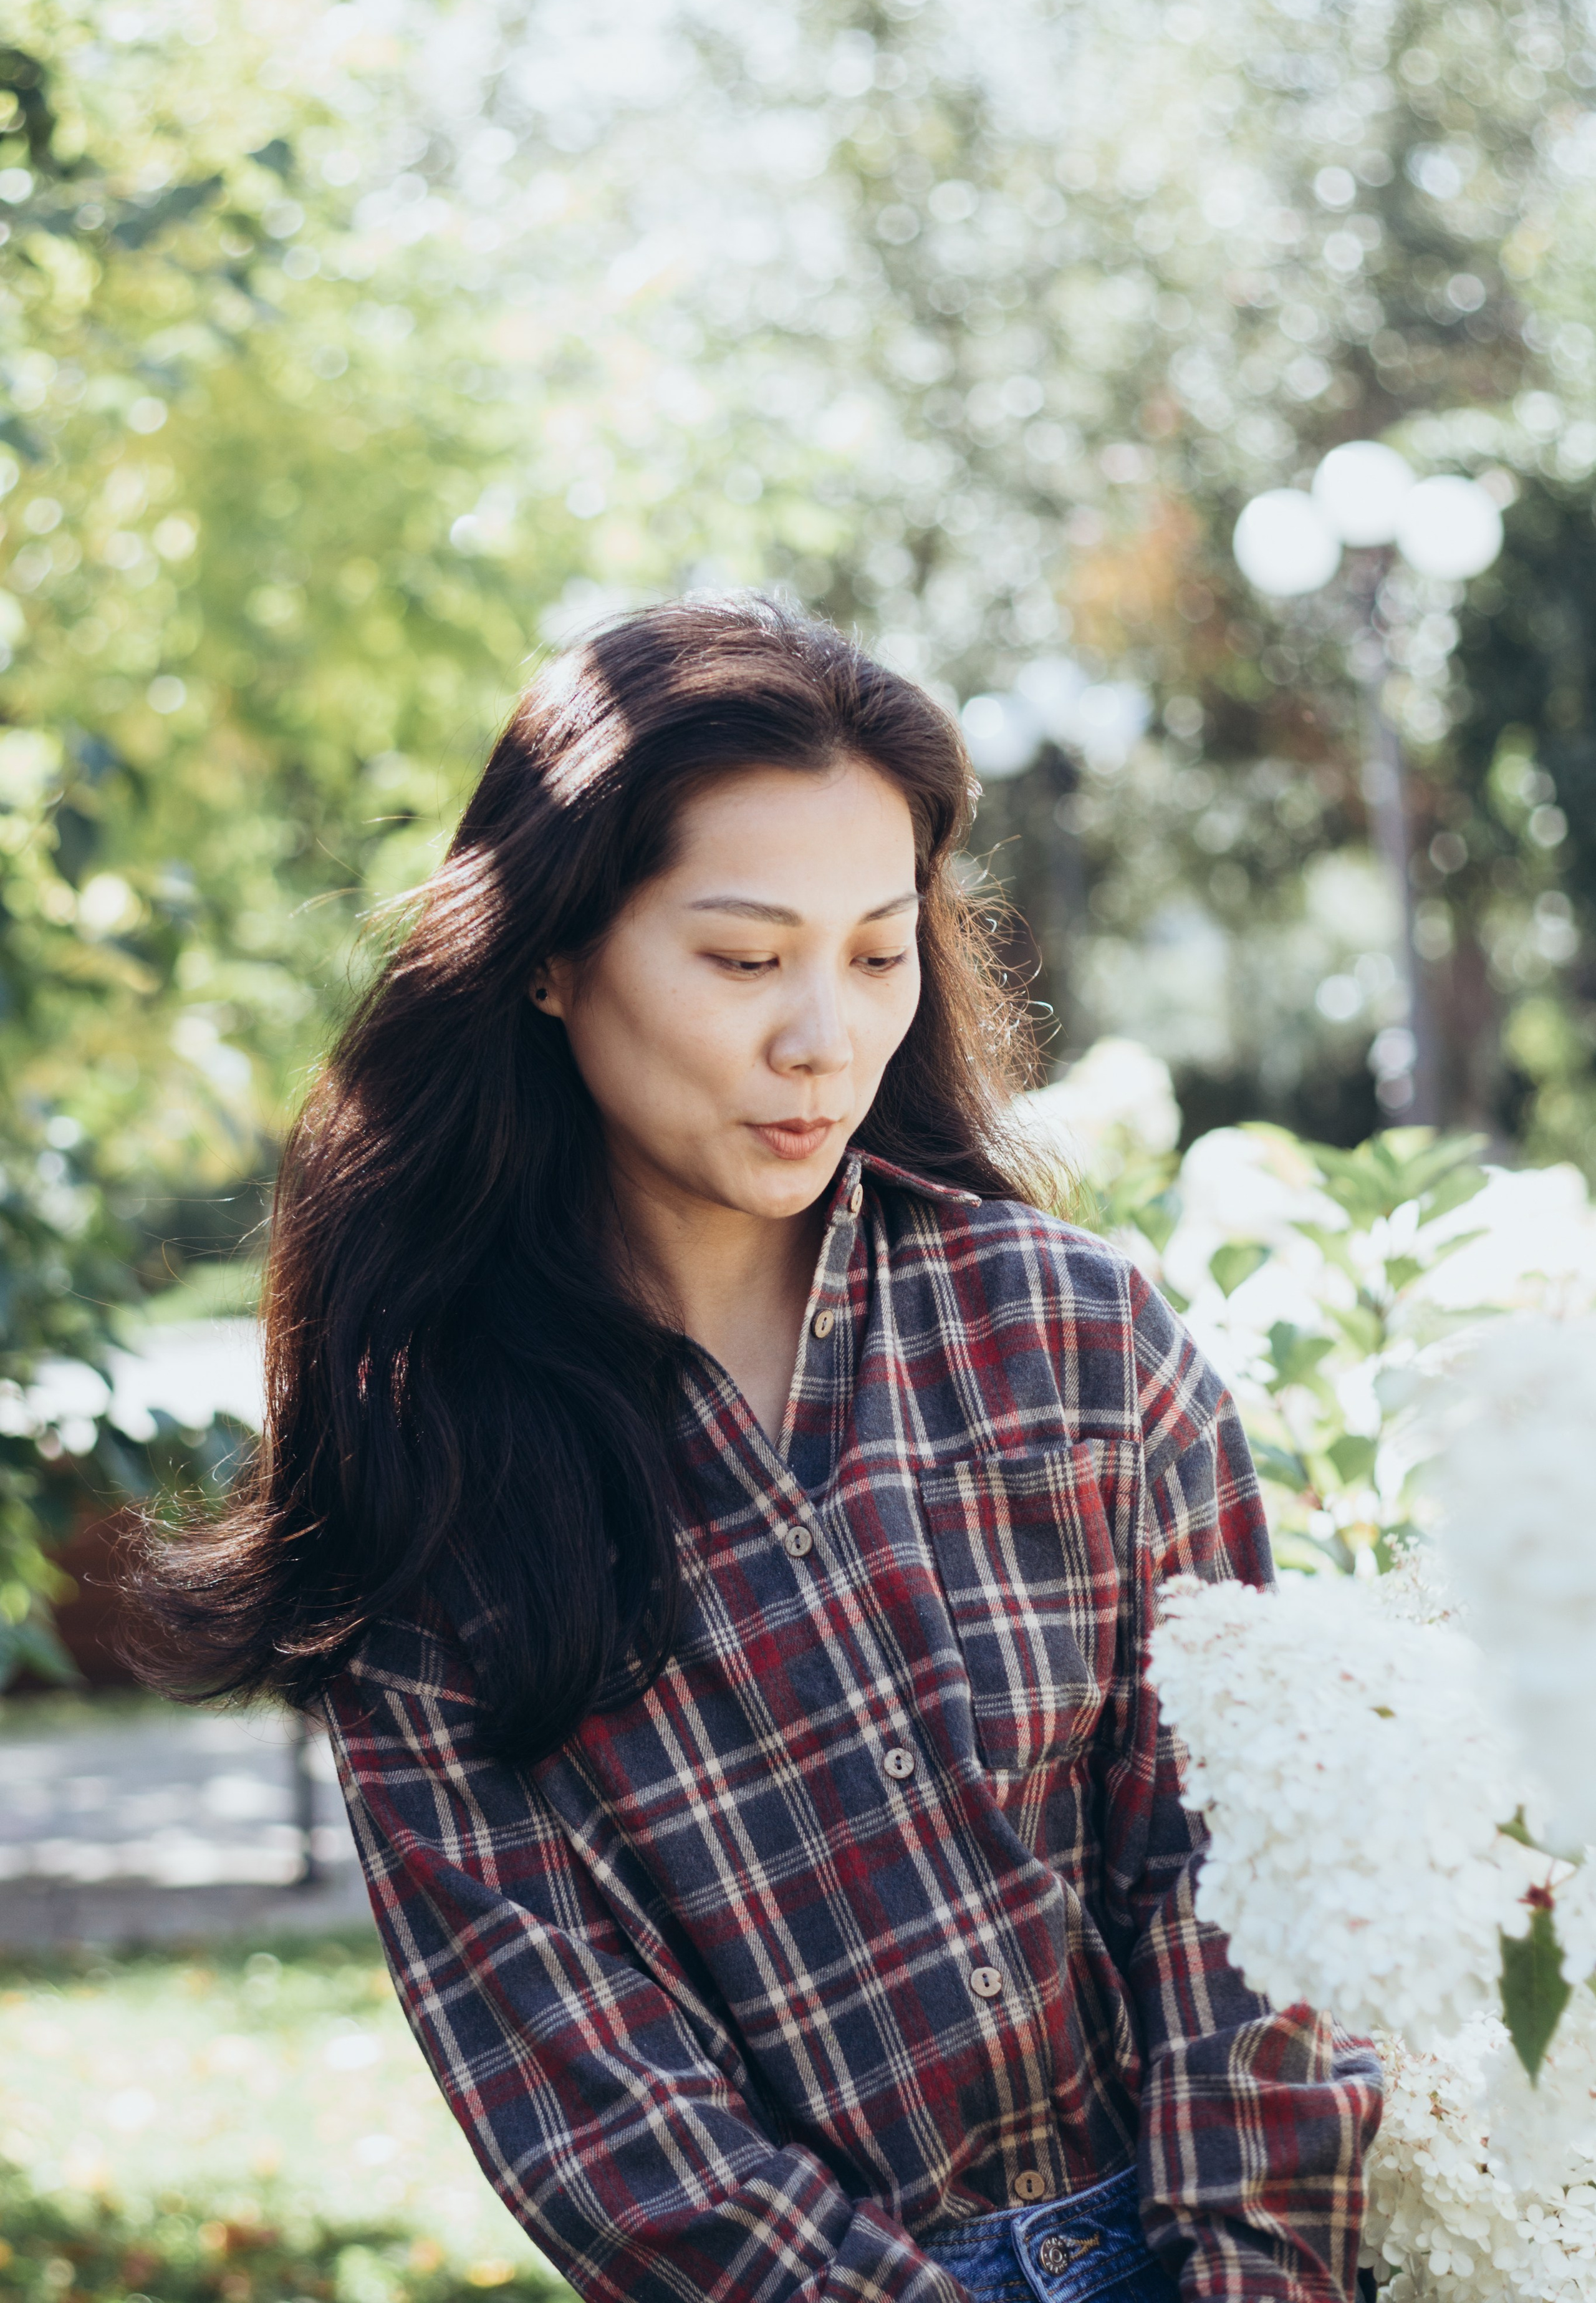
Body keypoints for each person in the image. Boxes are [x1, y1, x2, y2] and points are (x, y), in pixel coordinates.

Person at [137, 597, 1380, 2303]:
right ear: (551, 956)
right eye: (742, 959)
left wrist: (1258, 2272)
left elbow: (1247, 1858)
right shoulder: (433, 1475)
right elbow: (591, 2099)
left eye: (877, 955)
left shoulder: (1072, 1338)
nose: (825, 1038)